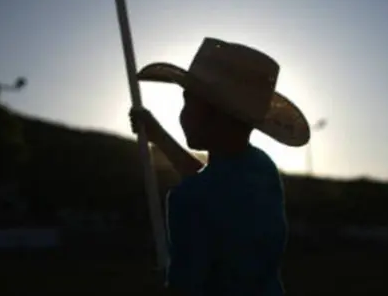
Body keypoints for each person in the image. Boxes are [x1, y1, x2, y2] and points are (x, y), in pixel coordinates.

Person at [130, 37, 311, 296]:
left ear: (216, 114)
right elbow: (215, 184)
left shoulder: (188, 200)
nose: (183, 113)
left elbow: (186, 286)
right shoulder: (261, 168)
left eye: (188, 101)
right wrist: (157, 134)